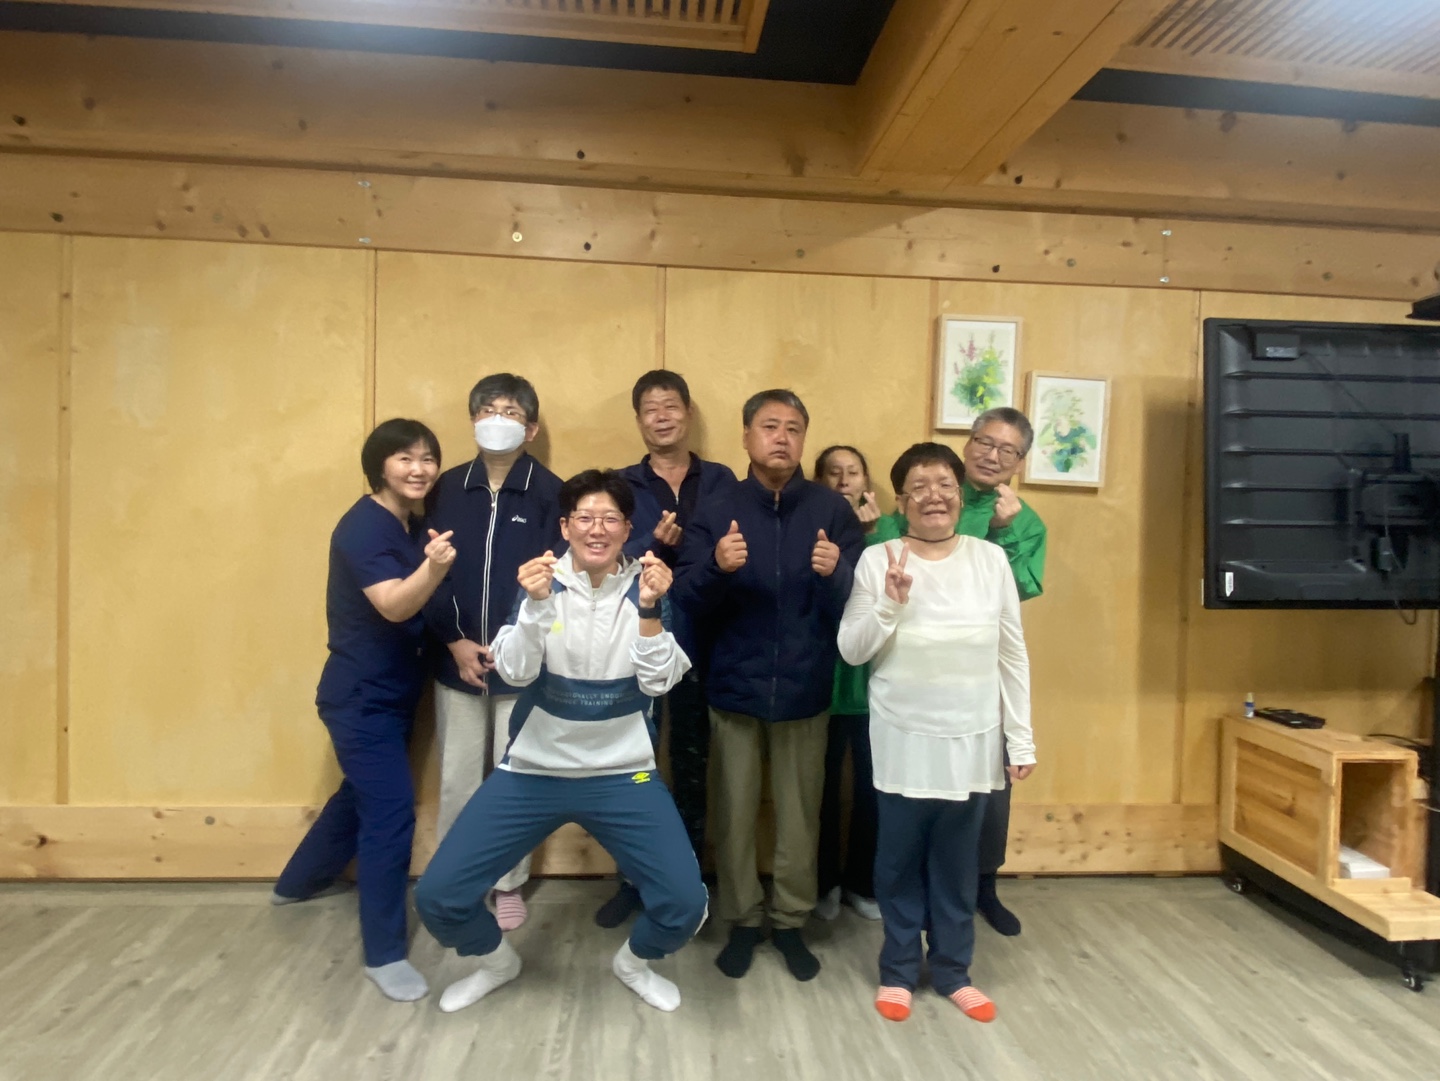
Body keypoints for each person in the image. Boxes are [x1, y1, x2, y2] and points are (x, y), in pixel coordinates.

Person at [414, 470, 708, 1014]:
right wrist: (535, 606)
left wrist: (649, 609)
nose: (598, 529)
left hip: (623, 774)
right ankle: (497, 963)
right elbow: (516, 673)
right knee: (438, 896)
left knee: (686, 902)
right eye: (585, 518)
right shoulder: (540, 584)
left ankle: (634, 963)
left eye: (611, 519)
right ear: (566, 526)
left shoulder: (649, 586)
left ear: (628, 529)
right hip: (534, 770)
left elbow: (659, 683)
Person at [839, 442, 1035, 1024]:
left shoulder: (989, 560)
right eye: (919, 486)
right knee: (897, 861)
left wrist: (1020, 737)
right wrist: (890, 605)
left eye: (945, 484)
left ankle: (953, 971)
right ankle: (898, 971)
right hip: (903, 737)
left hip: (973, 738)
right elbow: (851, 650)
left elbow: (1012, 654)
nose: (934, 496)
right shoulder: (878, 559)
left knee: (956, 863)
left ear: (960, 496)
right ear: (901, 501)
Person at [672, 390, 864, 982]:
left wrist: (836, 576)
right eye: (770, 426)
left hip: (806, 689)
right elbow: (685, 598)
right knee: (733, 814)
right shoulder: (718, 507)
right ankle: (741, 919)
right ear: (747, 436)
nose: (782, 437)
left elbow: (860, 605)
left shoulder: (830, 510)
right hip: (733, 688)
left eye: (794, 428)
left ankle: (789, 922)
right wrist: (716, 567)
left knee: (801, 817)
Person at [272, 418, 454, 1003]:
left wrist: (455, 642)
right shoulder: (362, 527)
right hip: (359, 697)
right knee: (391, 811)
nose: (419, 469)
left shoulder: (409, 524)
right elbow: (396, 605)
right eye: (405, 458)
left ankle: (296, 883)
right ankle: (385, 954)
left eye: (427, 458)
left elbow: (424, 613)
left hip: (394, 693)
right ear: (380, 466)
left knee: (362, 793)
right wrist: (434, 568)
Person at [873, 406, 1046, 936]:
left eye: (1008, 450)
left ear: (1020, 462)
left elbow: (1020, 591)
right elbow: (883, 568)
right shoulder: (924, 497)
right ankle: (912, 917)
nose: (992, 456)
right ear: (967, 444)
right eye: (985, 442)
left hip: (976, 686)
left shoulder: (1024, 520)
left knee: (984, 803)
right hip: (908, 685)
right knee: (907, 812)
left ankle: (981, 890)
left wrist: (1005, 532)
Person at [593, 370, 738, 929]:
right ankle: (632, 880)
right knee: (634, 767)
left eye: (671, 405)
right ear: (638, 420)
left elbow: (735, 548)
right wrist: (652, 543)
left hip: (707, 642)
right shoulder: (621, 484)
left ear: (688, 413)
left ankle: (688, 881)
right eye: (650, 408)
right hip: (637, 643)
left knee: (695, 767)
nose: (662, 416)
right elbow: (602, 553)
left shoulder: (721, 480)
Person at [423, 373, 563, 934]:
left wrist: (515, 645)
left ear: (530, 428)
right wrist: (454, 640)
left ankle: (508, 882)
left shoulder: (552, 493)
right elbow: (427, 571)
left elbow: (556, 580)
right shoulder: (445, 488)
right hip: (453, 660)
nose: (497, 419)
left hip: (523, 666)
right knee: (457, 778)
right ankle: (456, 881)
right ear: (473, 420)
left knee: (515, 780)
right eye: (487, 410)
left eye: (510, 412)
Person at [811, 445, 882, 923]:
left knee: (873, 792)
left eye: (852, 473)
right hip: (823, 683)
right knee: (822, 792)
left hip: (875, 687)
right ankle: (823, 883)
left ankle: (863, 883)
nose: (842, 481)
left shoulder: (889, 531)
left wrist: (868, 536)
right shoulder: (810, 528)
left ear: (865, 483)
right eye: (832, 473)